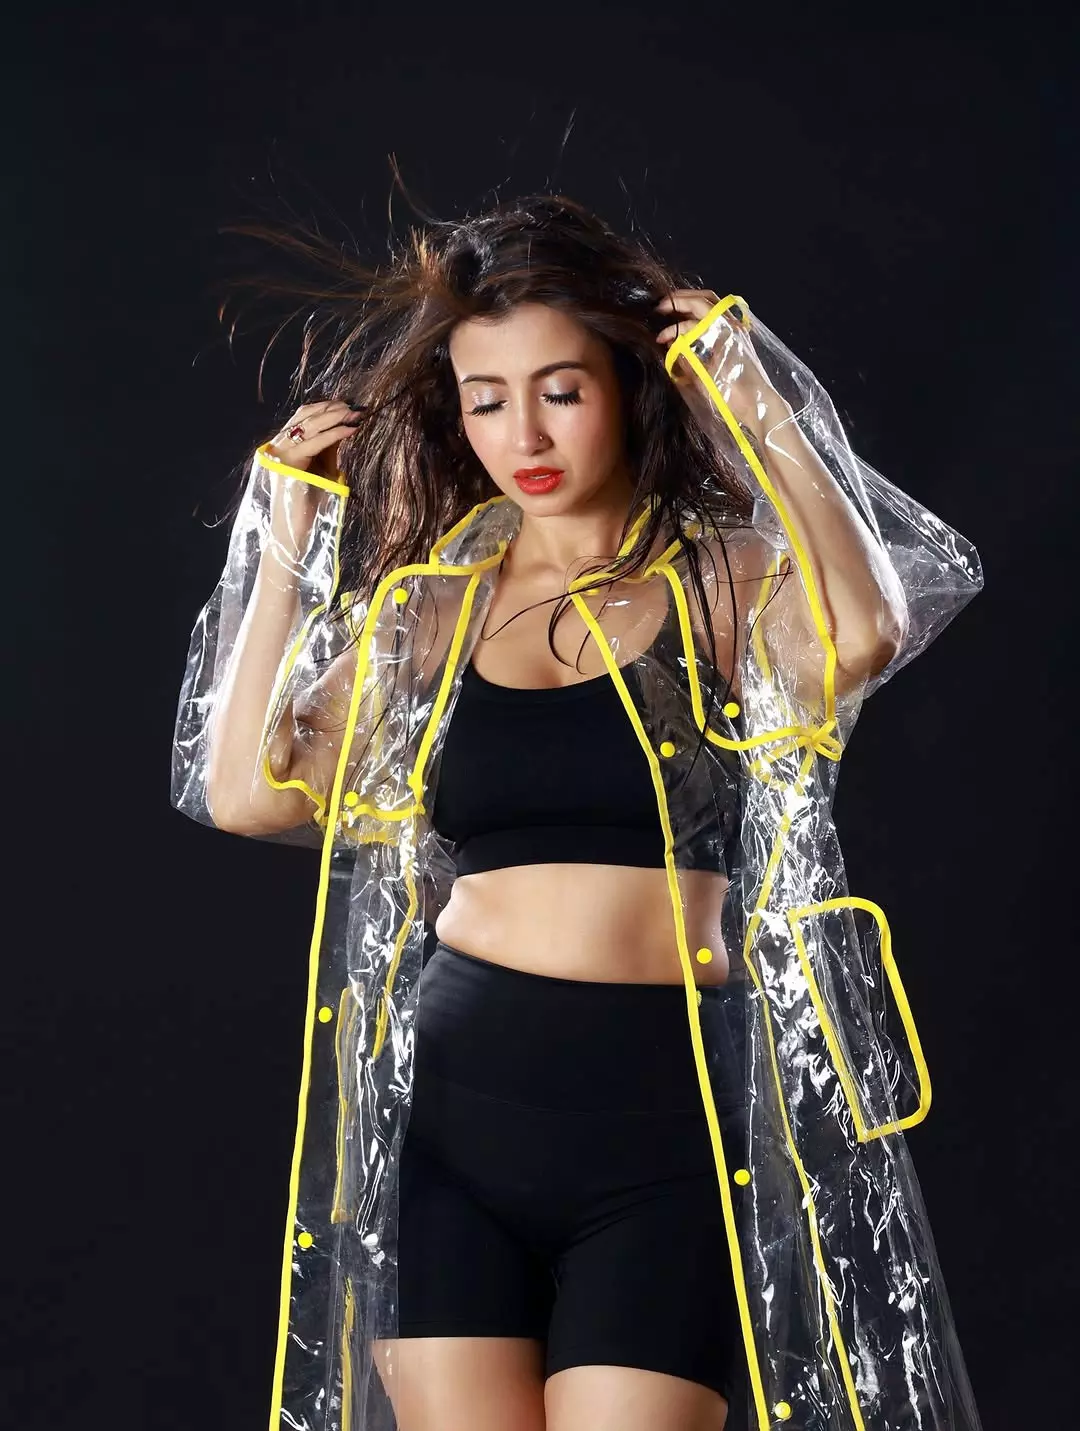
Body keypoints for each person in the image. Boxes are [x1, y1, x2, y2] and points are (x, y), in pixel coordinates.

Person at [172, 195, 984, 1431]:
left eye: (561, 389)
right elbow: (244, 793)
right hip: (456, 1121)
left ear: (627, 386)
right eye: (486, 399)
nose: (524, 433)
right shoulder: (429, 610)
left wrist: (752, 397)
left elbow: (861, 631)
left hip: (666, 1121)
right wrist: (290, 530)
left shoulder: (719, 575)